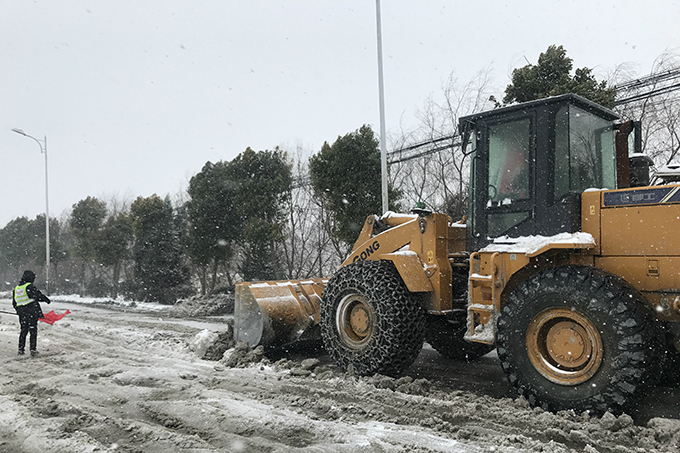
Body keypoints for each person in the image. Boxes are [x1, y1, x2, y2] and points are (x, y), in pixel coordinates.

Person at [12, 270, 51, 356]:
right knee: (33, 330)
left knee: (23, 331)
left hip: (22, 314)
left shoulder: (17, 288)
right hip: (31, 312)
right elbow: (38, 295)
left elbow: (14, 303)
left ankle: (21, 349)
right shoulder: (29, 286)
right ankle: (33, 349)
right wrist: (47, 300)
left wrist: (19, 311)